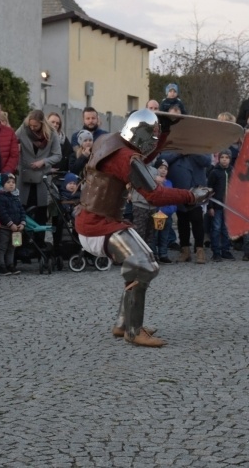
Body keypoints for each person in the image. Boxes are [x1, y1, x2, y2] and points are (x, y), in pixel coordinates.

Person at [76, 108, 212, 347]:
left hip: (94, 220)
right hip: (99, 225)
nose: (154, 142)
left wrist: (165, 133)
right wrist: (190, 195)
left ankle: (122, 323)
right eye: (154, 137)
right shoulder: (124, 158)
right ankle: (133, 330)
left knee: (136, 265)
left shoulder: (108, 140)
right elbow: (155, 194)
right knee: (145, 266)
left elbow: (142, 158)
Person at [15, 110, 62, 226]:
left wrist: (44, 162)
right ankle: (21, 242)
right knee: (21, 210)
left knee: (41, 211)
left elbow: (58, 155)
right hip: (24, 176)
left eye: (35, 126)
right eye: (30, 125)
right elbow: (12, 141)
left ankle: (40, 242)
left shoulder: (51, 133)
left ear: (42, 123)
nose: (32, 128)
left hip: (42, 178)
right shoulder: (23, 129)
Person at [0, 173, 26, 275]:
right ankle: (0, 265)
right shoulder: (0, 197)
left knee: (13, 247)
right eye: (8, 182)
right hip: (4, 228)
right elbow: (2, 213)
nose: (11, 184)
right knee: (1, 247)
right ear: (3, 184)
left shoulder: (16, 197)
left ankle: (10, 264)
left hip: (16, 229)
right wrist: (10, 224)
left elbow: (22, 211)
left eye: (13, 182)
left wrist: (23, 222)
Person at [208, 150, 235, 262]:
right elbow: (209, 191)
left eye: (227, 157)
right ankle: (216, 252)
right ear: (219, 159)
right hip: (217, 206)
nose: (224, 159)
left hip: (229, 207)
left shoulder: (233, 172)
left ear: (230, 159)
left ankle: (226, 250)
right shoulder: (214, 172)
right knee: (216, 228)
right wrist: (210, 206)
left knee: (226, 230)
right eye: (222, 157)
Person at [152, 159, 176, 264]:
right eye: (160, 168)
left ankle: (163, 254)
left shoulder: (169, 183)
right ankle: (153, 254)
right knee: (154, 235)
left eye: (165, 168)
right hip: (156, 214)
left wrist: (171, 210)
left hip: (167, 214)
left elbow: (173, 198)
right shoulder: (153, 183)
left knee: (165, 235)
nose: (163, 170)